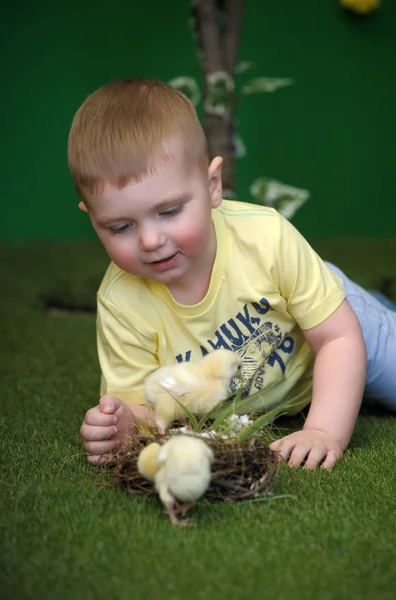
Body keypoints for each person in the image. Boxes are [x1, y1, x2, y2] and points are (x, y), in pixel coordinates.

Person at [67, 78, 396, 470]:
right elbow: (145, 407)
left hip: (333, 325)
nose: (151, 240)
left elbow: (338, 338)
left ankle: (374, 309)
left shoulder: (265, 236)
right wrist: (123, 424)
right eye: (121, 227)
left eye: (169, 211)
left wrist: (324, 430)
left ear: (212, 186)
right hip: (279, 386)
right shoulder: (121, 302)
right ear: (92, 217)